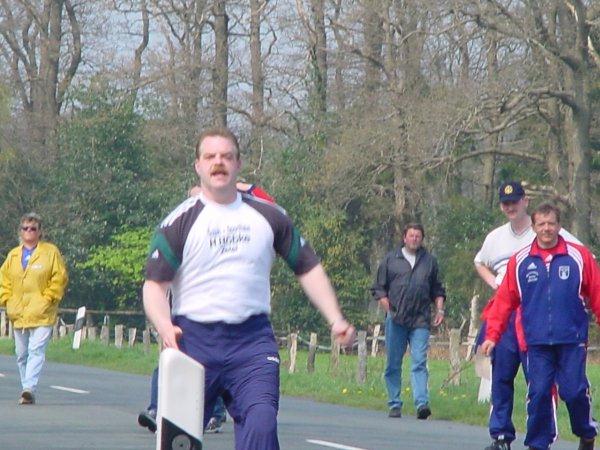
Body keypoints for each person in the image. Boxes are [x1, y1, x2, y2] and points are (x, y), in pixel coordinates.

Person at [142, 127, 355, 450]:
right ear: (198, 166)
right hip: (193, 341)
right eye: (210, 157)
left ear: (239, 164)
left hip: (252, 342)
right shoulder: (179, 222)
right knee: (178, 441)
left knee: (262, 422)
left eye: (226, 156)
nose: (218, 163)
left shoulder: (269, 216)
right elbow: (154, 287)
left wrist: (335, 318)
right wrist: (164, 326)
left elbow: (307, 267)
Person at [137, 181, 275, 433]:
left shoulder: (246, 224)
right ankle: (159, 409)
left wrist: (239, 186)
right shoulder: (188, 225)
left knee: (220, 367)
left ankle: (214, 413)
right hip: (191, 316)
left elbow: (269, 204)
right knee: (174, 360)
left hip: (237, 320)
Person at [480, 202, 600, 450]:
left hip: (571, 339)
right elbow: (504, 301)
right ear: (534, 227)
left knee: (574, 391)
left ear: (559, 226)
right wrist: (492, 335)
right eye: (542, 224)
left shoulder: (579, 256)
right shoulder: (521, 261)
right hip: (536, 342)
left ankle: (586, 432)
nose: (547, 229)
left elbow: (597, 293)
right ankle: (538, 444)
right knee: (539, 394)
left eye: (551, 224)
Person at [371, 222, 446, 419]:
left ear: (422, 239)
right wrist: (388, 307)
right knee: (393, 362)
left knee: (419, 361)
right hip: (396, 318)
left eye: (418, 236)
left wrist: (440, 310)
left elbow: (437, 289)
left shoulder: (429, 261)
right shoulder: (391, 259)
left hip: (420, 319)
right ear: (404, 238)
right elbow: (379, 288)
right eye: (411, 235)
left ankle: (422, 404)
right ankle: (394, 403)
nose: (414, 239)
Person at [0, 213, 68, 405]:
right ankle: (26, 388)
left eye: (33, 228)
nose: (29, 231)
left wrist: (48, 298)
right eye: (25, 228)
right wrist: (6, 299)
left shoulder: (50, 252)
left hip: (42, 312)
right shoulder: (13, 255)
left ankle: (29, 388)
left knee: (36, 349)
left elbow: (59, 277)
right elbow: (4, 280)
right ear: (20, 231)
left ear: (40, 231)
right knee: (21, 354)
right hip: (19, 312)